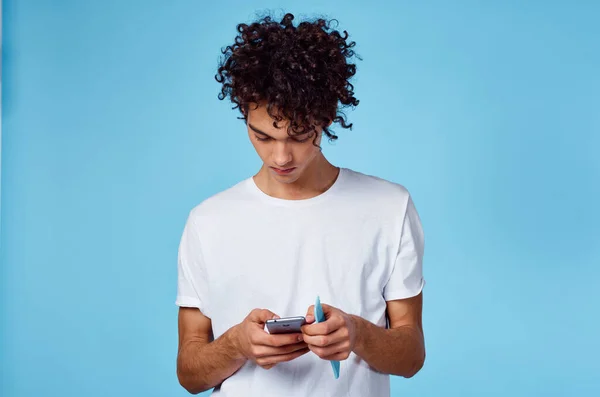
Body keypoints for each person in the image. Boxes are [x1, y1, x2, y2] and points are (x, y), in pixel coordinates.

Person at [175, 12, 426, 396]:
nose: (280, 157)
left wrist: (356, 334)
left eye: (299, 135)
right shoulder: (207, 221)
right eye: (262, 137)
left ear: (326, 117)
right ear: (244, 116)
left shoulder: (389, 207)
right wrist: (237, 345)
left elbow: (411, 356)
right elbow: (190, 374)